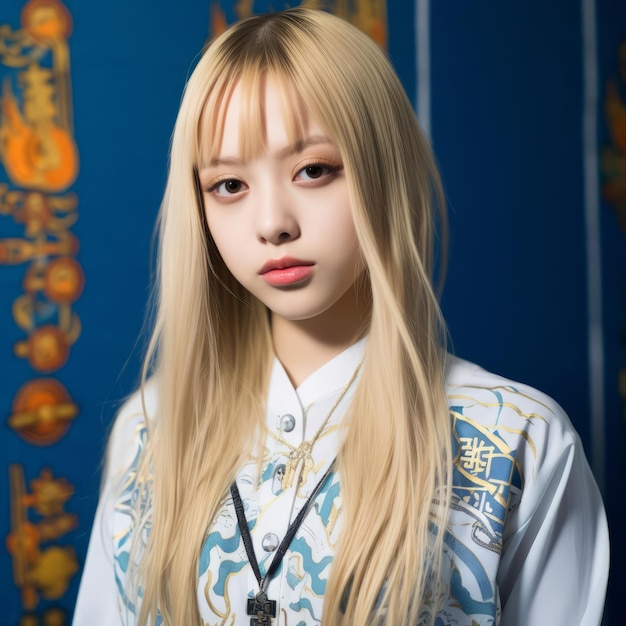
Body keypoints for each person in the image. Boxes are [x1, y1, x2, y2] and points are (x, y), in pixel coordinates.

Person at [73, 7, 609, 626]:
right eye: (228, 185)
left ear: (386, 171)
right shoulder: (151, 429)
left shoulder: (517, 441)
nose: (273, 222)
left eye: (314, 170)